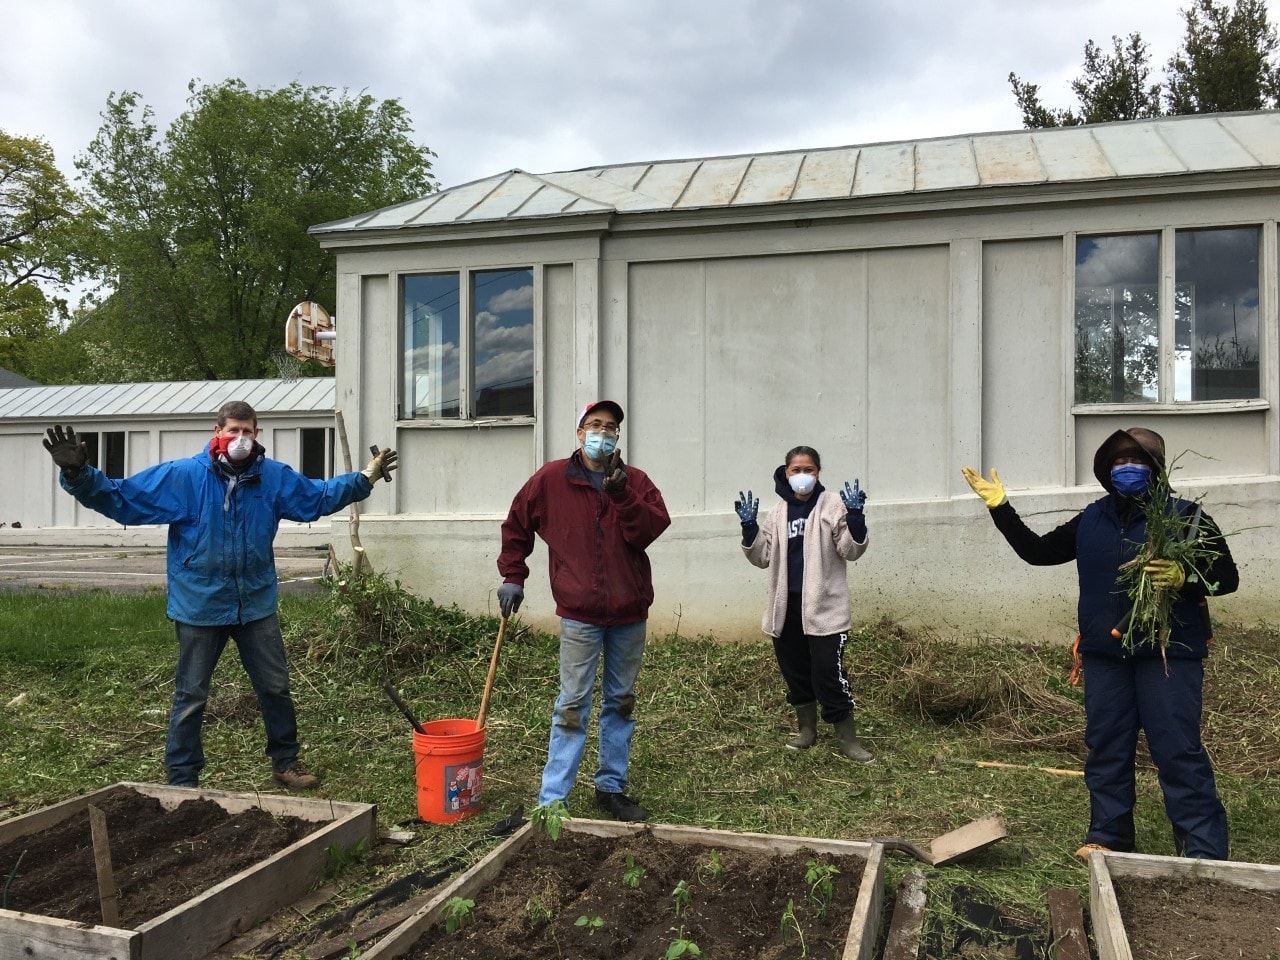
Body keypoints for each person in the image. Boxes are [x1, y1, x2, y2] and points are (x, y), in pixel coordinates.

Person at [42, 401, 398, 791]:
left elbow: (318, 497)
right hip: (199, 605)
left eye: (247, 431)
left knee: (275, 687)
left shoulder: (273, 478)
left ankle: (286, 762)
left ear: (257, 435)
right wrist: (79, 474)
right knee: (191, 694)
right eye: (233, 430)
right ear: (217, 431)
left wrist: (366, 477)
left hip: (255, 605)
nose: (240, 439)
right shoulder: (185, 477)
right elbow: (124, 499)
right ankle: (182, 777)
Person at [962, 427, 1237, 860]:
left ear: (1157, 468)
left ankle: (1202, 847)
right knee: (1107, 746)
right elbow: (1037, 552)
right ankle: (1109, 837)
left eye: (1137, 460)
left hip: (1168, 655)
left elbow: (1227, 578)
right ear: (1106, 471)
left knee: (1177, 749)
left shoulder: (1186, 517)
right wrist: (1001, 508)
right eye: (1117, 462)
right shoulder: (1091, 518)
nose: (1126, 468)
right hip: (1105, 656)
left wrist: (1187, 580)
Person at [496, 400, 670, 822]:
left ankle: (610, 788)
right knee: (572, 703)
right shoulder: (552, 479)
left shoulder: (636, 482)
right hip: (580, 614)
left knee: (621, 701)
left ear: (617, 437)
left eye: (610, 427)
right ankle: (554, 798)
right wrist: (513, 576)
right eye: (595, 425)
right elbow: (517, 525)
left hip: (629, 613)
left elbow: (650, 529)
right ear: (579, 433)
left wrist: (622, 494)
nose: (603, 432)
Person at [736, 445, 873, 762]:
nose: (802, 476)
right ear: (786, 473)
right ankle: (807, 730)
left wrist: (855, 518)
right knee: (796, 672)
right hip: (786, 610)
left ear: (818, 473)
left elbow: (850, 550)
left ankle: (847, 738)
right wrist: (749, 528)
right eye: (796, 470)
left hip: (825, 609)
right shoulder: (778, 512)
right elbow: (762, 556)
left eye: (808, 470)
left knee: (828, 672)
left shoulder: (832, 504)